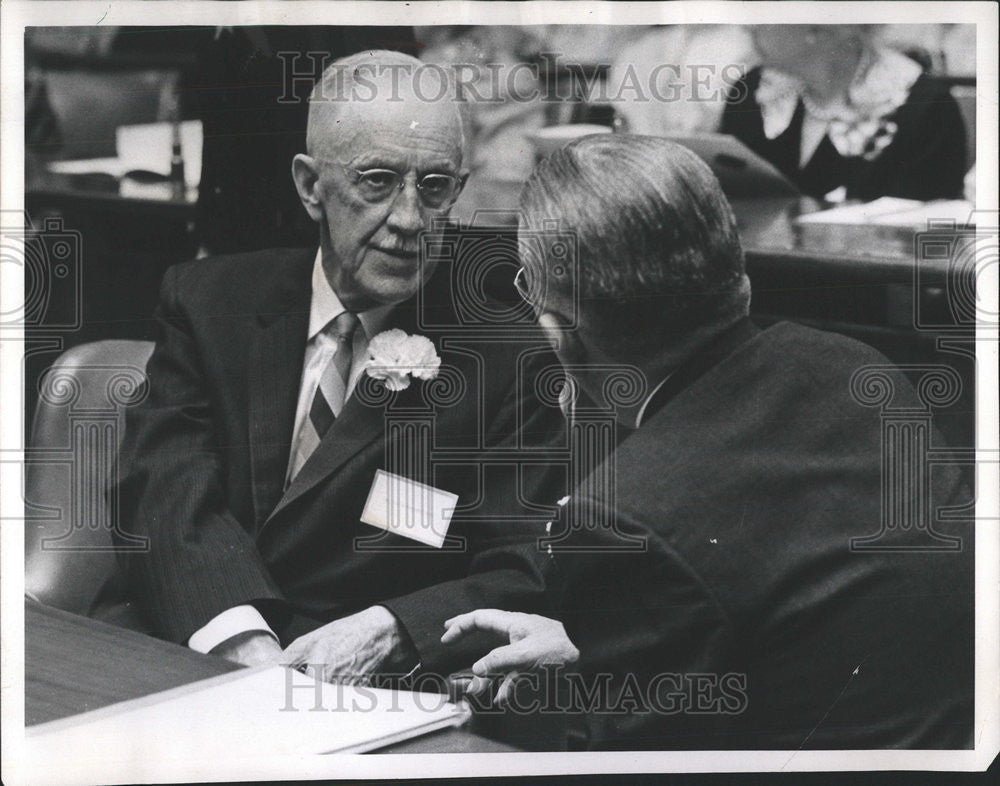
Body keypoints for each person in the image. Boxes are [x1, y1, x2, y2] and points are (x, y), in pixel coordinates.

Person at [442, 134, 973, 749]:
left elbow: (597, 753)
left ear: (560, 336)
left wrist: (486, 706)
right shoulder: (860, 369)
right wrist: (597, 646)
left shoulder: (624, 518)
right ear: (735, 274)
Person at [114, 51, 563, 682]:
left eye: (435, 188)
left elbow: (522, 563)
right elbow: (163, 486)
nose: (409, 220)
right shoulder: (211, 301)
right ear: (309, 186)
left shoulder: (507, 358)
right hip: (190, 629)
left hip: (365, 684)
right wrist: (244, 643)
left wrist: (393, 630)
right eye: (377, 181)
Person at [720, 25, 967, 202]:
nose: (747, 27)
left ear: (819, 28)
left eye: (763, 14)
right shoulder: (754, 89)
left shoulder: (926, 108)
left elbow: (919, 236)